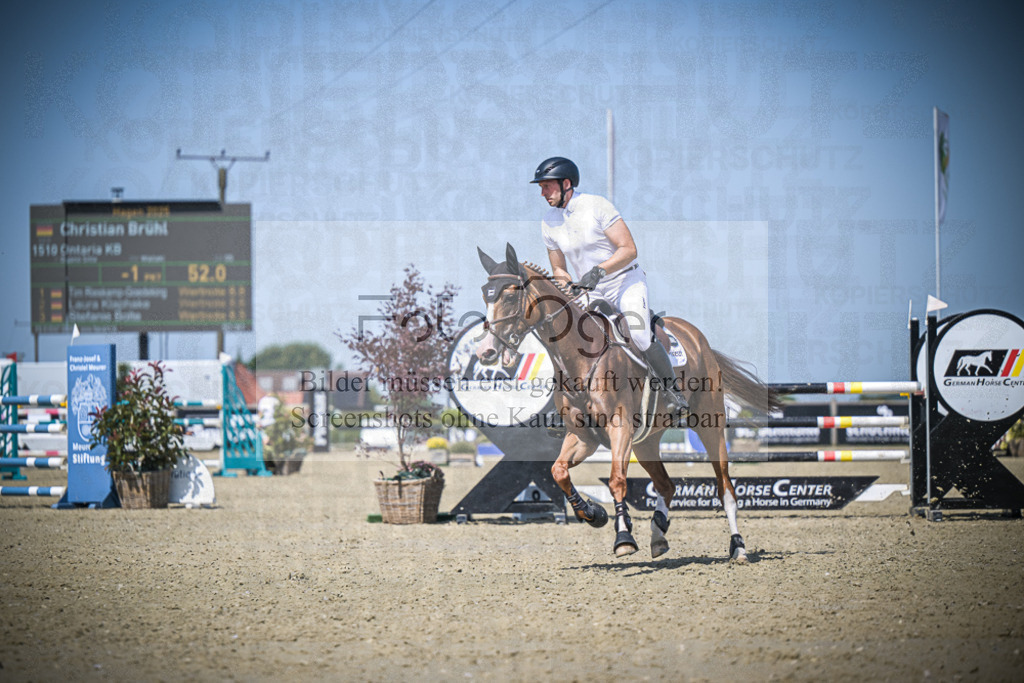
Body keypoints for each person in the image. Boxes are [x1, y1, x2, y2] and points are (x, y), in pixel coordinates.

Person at [530, 156, 687, 415]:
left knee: (638, 334)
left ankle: (673, 392)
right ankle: (567, 406)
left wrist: (599, 270)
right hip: (589, 290)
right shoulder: (549, 221)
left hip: (624, 282)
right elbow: (559, 269)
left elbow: (629, 249)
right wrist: (567, 287)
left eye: (547, 186)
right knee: (569, 336)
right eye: (541, 188)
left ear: (566, 184)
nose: (543, 193)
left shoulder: (597, 206)